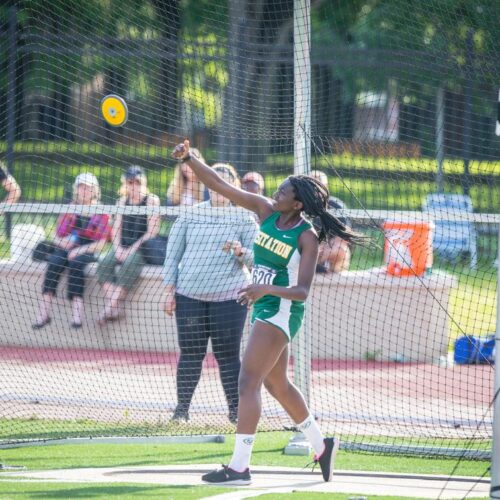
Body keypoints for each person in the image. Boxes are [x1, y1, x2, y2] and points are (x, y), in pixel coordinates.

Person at [170, 140, 365, 485]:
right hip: (264, 306)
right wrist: (191, 158)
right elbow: (220, 185)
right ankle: (322, 445)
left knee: (247, 382)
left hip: (282, 310)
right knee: (277, 385)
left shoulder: (307, 237)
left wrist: (265, 289)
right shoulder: (265, 212)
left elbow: (303, 291)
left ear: (298, 202)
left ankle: (240, 467)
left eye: (283, 191)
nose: (276, 192)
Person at [163, 163, 258, 425]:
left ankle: (236, 412)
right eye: (214, 182)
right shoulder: (190, 215)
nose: (218, 187)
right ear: (208, 185)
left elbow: (258, 261)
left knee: (227, 355)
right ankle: (181, 411)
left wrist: (241, 253)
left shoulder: (243, 217)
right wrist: (169, 291)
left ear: (232, 187)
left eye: (224, 182)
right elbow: (172, 256)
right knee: (190, 353)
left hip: (229, 298)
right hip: (189, 297)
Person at [33, 173, 110, 329]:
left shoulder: (102, 211)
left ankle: (77, 316)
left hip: (89, 249)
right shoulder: (69, 208)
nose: (84, 191)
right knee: (54, 262)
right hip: (67, 247)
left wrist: (80, 250)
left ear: (95, 191)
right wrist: (62, 242)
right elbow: (55, 235)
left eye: (88, 188)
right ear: (76, 189)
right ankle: (44, 313)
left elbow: (101, 244)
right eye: (81, 187)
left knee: (76, 264)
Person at [97, 166, 160, 324]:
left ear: (143, 182)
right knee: (104, 263)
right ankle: (116, 308)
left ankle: (109, 307)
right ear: (125, 183)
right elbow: (116, 230)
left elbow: (151, 232)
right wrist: (118, 249)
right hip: (122, 245)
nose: (134, 186)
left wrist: (131, 250)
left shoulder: (152, 200)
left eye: (137, 182)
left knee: (129, 265)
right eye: (130, 182)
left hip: (143, 248)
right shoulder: (121, 201)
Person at [310, 170, 352, 274]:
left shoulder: (336, 206)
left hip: (329, 248)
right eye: (312, 186)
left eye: (319, 185)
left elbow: (343, 237)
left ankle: (326, 269)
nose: (316, 190)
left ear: (326, 187)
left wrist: (324, 247)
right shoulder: (300, 205)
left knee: (340, 250)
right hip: (308, 246)